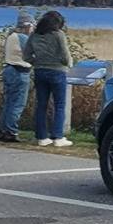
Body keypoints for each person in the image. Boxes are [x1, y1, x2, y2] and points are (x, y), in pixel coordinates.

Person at [26, 9, 74, 147]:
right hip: (57, 71)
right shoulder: (58, 35)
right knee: (59, 105)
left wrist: (36, 62)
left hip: (40, 71)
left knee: (41, 104)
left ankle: (41, 137)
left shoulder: (34, 35)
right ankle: (58, 137)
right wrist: (68, 64)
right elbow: (65, 55)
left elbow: (26, 55)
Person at [0, 13, 34, 143]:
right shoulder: (23, 38)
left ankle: (3, 130)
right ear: (27, 25)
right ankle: (11, 131)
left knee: (9, 102)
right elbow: (31, 54)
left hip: (9, 70)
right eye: (32, 26)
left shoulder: (11, 36)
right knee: (17, 104)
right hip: (19, 72)